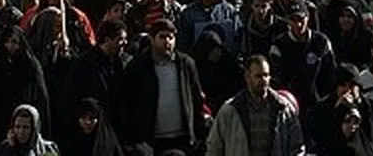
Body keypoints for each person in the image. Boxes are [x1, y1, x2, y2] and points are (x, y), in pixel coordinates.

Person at [120, 18, 211, 153]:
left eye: (171, 37)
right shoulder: (137, 67)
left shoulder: (186, 64)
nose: (167, 42)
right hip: (151, 141)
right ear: (152, 39)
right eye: (162, 37)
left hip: (183, 138)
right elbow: (129, 104)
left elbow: (196, 99)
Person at [206, 54, 306, 156]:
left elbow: (297, 147)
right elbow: (214, 147)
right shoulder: (230, 111)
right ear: (247, 77)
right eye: (258, 76)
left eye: (266, 75)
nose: (263, 80)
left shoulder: (283, 108)